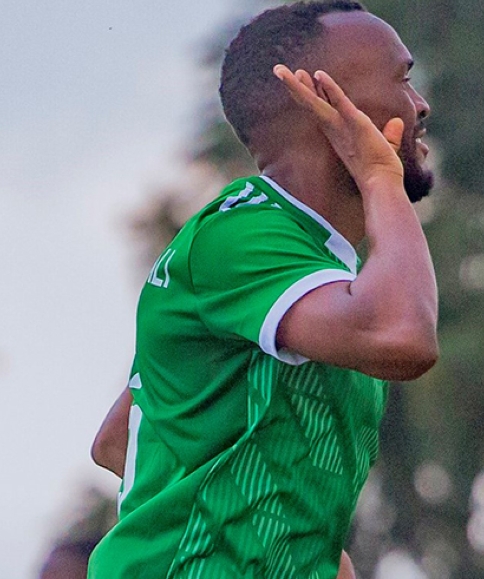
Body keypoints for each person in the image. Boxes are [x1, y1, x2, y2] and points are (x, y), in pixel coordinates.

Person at [88, 1, 438, 577]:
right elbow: (404, 336)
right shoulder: (243, 236)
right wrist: (380, 177)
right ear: (324, 104)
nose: (420, 104)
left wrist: (304, 554)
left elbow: (118, 438)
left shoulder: (305, 259)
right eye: (402, 78)